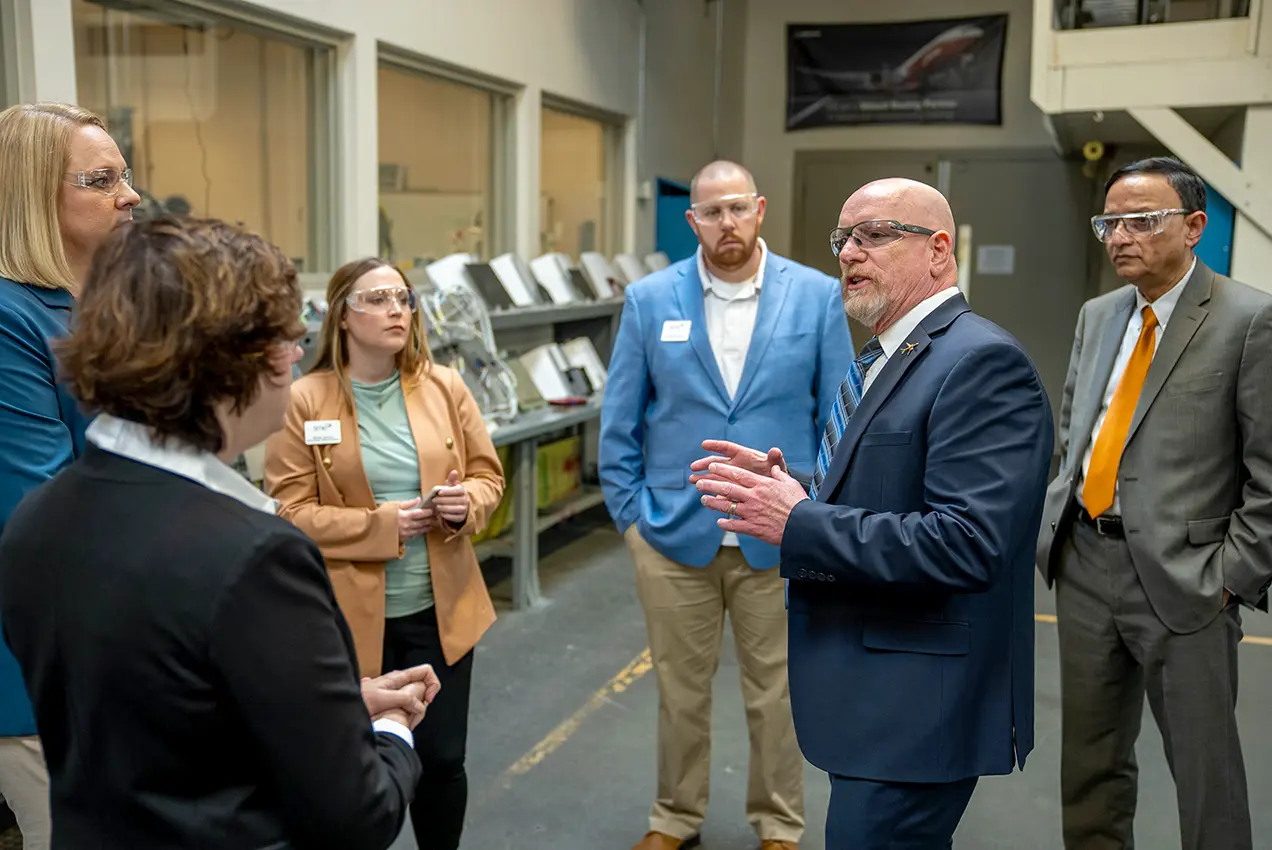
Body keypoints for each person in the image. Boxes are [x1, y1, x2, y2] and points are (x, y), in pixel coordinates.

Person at [0, 217, 437, 849]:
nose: (295, 355)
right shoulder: (254, 556)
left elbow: (162, 710)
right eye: (289, 338)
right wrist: (390, 728)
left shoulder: (39, 521)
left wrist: (328, 704)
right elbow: (358, 812)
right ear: (236, 359)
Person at [691, 178, 1054, 848]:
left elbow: (968, 543)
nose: (849, 252)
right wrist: (797, 488)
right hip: (877, 698)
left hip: (917, 708)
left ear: (939, 251)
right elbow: (895, 492)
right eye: (842, 239)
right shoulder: (893, 357)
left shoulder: (980, 362)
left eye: (875, 234)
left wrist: (798, 522)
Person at [600, 160, 851, 850]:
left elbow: (838, 416)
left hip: (781, 535)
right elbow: (620, 418)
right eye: (712, 212)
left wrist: (815, 518)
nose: (727, 224)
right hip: (673, 534)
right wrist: (631, 522)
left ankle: (779, 824)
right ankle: (675, 817)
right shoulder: (651, 300)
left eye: (738, 208)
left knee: (778, 696)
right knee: (681, 692)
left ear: (761, 209)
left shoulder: (817, 296)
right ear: (693, 221)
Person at [1035, 156, 1272, 850]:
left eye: (1143, 221)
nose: (1119, 237)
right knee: (1091, 765)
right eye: (1109, 222)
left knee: (1206, 774)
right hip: (1085, 569)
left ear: (1195, 226)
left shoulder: (1249, 320)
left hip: (1188, 579)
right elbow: (1076, 432)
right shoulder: (1098, 314)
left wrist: (1232, 578)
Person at [264, 257, 504, 850]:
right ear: (342, 315)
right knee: (343, 764)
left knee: (443, 761)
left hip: (439, 613)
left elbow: (487, 478)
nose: (396, 309)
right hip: (344, 622)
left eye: (403, 297)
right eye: (377, 299)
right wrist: (385, 524)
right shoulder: (304, 400)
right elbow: (290, 513)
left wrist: (463, 504)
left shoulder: (445, 385)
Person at [0, 101, 141, 849]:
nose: (132, 196)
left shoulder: (99, 310)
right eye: (103, 179)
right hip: (44, 673)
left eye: (126, 176)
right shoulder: (8, 319)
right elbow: (42, 512)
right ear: (31, 196)